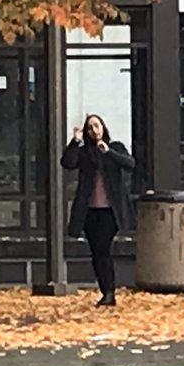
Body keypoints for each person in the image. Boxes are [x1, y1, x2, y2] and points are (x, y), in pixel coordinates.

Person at [62, 114, 136, 307]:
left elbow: (130, 164)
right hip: (89, 211)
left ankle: (109, 292)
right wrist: (75, 140)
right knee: (96, 252)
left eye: (97, 125)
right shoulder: (84, 152)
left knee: (103, 249)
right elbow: (67, 163)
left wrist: (108, 152)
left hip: (109, 211)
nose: (94, 130)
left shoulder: (115, 147)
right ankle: (106, 290)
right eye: (90, 128)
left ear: (103, 126)